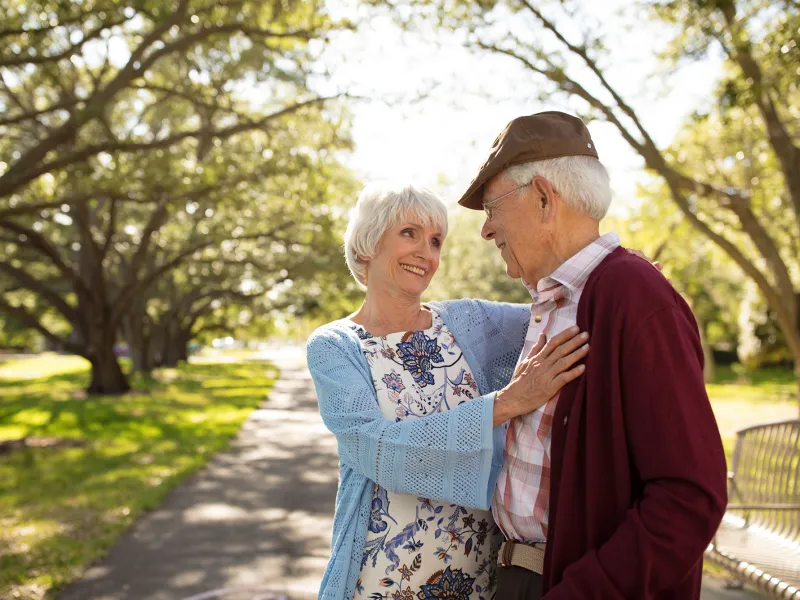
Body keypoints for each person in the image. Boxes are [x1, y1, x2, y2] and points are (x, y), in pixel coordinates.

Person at [456, 111, 728, 599]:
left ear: (543, 197)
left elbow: (688, 498)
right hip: (520, 578)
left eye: (492, 206)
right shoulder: (557, 300)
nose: (486, 229)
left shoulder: (635, 295)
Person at [306, 182, 591, 600]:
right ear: (367, 244)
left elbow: (564, 307)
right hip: (380, 581)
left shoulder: (470, 323)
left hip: (476, 579)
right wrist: (508, 402)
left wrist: (609, 273)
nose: (427, 251)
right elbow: (376, 450)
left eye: (436, 240)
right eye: (410, 234)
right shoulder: (334, 346)